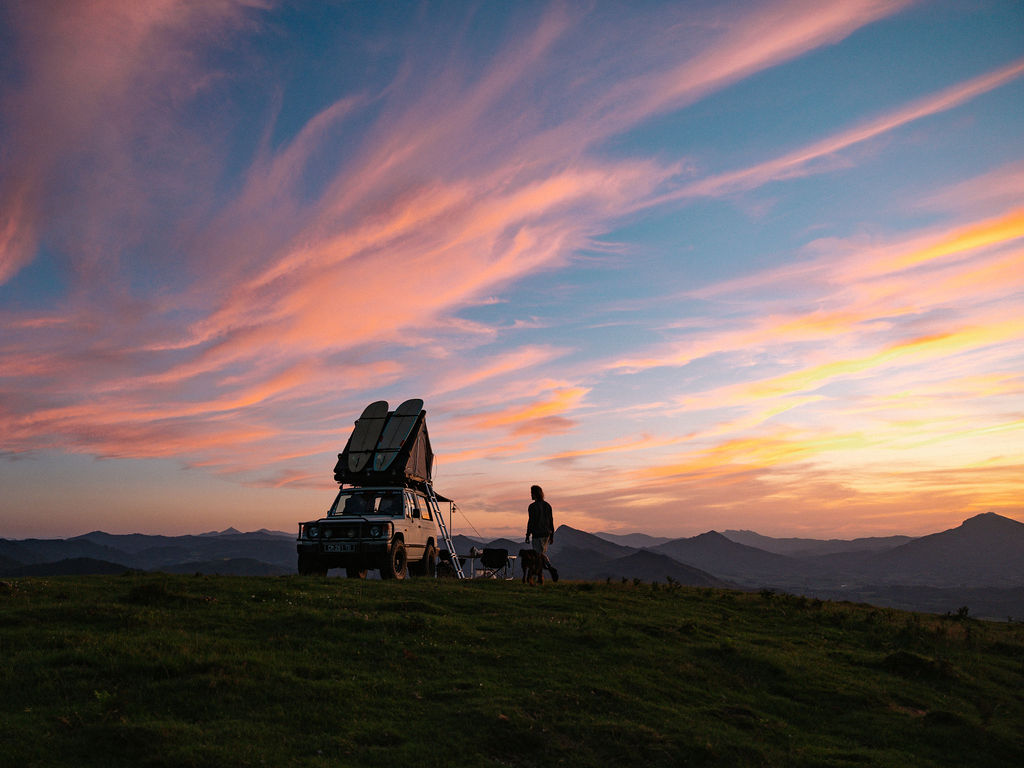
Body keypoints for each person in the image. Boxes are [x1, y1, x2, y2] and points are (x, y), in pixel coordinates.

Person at [525, 485, 558, 582]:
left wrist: (527, 535)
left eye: (532, 493)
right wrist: (552, 536)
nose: (530, 495)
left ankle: (542, 573)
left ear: (535, 494)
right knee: (540, 555)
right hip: (546, 534)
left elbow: (531, 521)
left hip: (537, 534)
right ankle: (544, 573)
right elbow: (551, 521)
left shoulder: (532, 507)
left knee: (537, 556)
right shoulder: (547, 506)